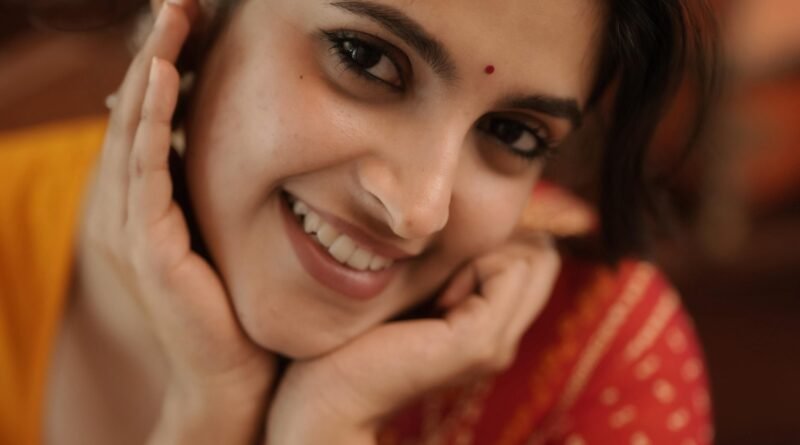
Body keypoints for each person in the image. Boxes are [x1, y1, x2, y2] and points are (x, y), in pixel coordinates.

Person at [0, 0, 718, 443]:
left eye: (512, 133)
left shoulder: (593, 352)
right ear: (199, 14)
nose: (419, 209)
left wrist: (329, 425)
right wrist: (209, 413)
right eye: (367, 59)